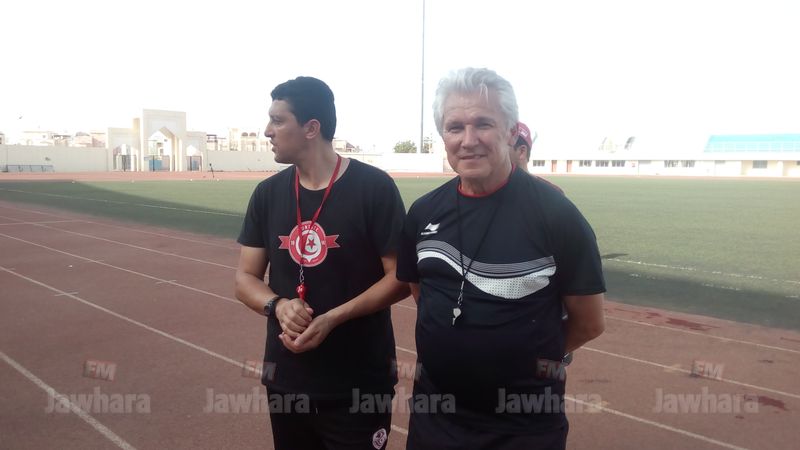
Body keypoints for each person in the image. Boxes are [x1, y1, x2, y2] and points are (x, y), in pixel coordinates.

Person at [397, 67, 606, 450]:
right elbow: (422, 294)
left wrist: (529, 359)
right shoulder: (423, 212)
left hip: (523, 427)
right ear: (443, 136)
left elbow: (589, 322)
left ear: (511, 132)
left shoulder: (556, 215)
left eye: (483, 124)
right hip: (435, 419)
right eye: (455, 127)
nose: (468, 140)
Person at [234, 76, 408, 450]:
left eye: (278, 120)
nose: (267, 131)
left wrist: (333, 318)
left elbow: (400, 278)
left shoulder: (374, 188)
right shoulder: (267, 194)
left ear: (311, 128)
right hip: (287, 380)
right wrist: (277, 305)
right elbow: (245, 278)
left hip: (358, 384)